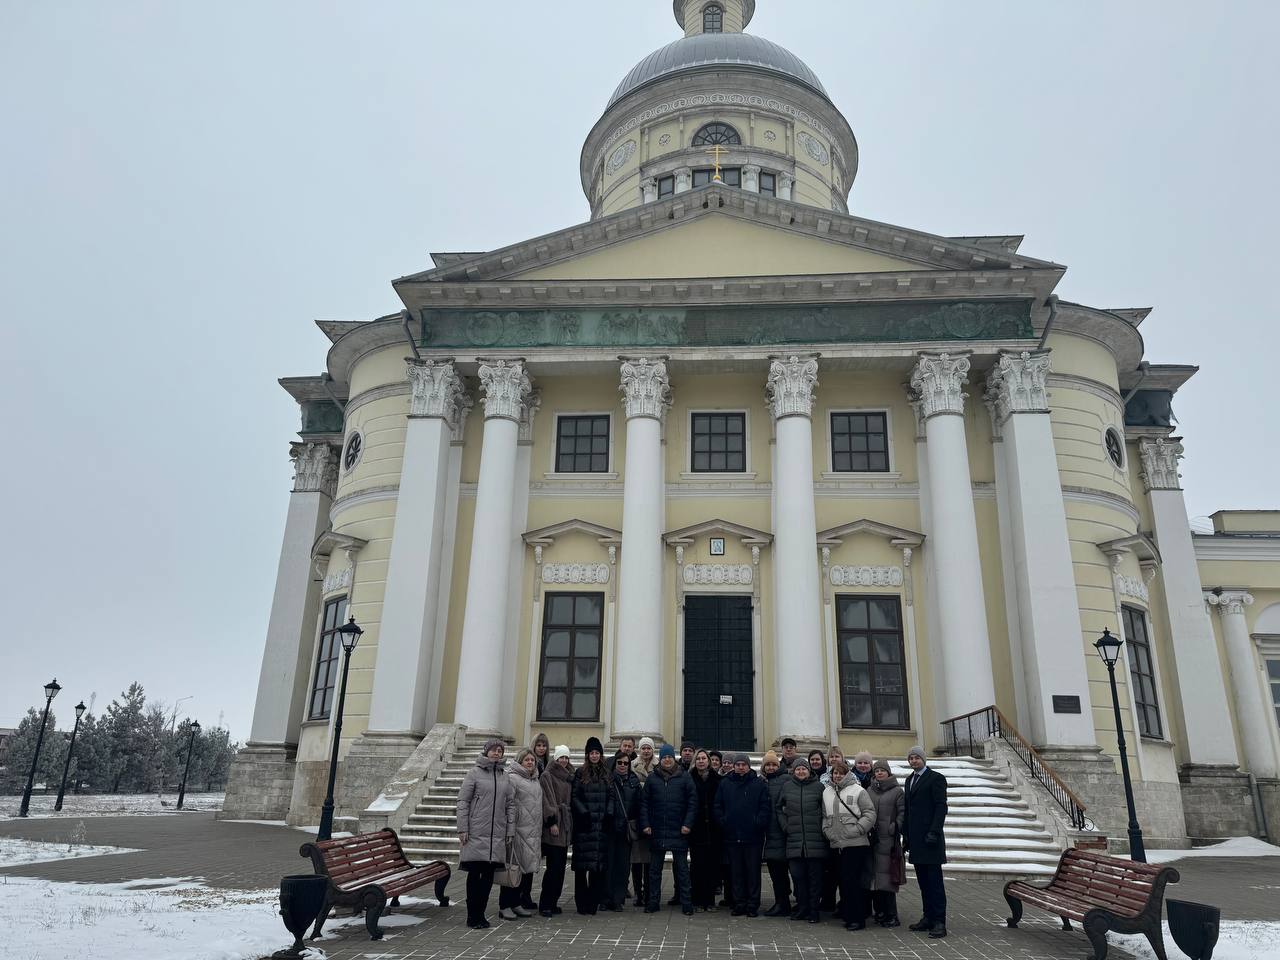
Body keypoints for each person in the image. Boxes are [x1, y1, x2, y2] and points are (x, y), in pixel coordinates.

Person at [457, 738, 515, 929]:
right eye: (493, 750)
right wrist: (463, 828)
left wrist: (510, 829)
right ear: (486, 751)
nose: (496, 753)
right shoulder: (474, 773)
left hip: (496, 834)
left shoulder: (504, 776)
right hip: (476, 833)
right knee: (475, 876)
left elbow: (510, 804)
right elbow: (463, 801)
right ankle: (472, 915)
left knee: (488, 877)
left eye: (500, 750)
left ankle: (481, 914)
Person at [640, 744, 696, 915]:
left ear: (673, 758)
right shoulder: (652, 778)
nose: (667, 760)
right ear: (661, 759)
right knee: (654, 871)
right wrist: (646, 824)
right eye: (664, 757)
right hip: (657, 830)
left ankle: (687, 903)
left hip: (679, 830)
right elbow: (644, 803)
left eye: (669, 757)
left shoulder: (685, 777)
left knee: (682, 871)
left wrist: (688, 824)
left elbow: (692, 803)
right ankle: (653, 902)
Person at [714, 752, 770, 917]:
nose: (740, 767)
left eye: (743, 764)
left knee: (753, 872)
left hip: (753, 837)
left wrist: (758, 822)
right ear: (734, 766)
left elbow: (765, 806)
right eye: (737, 764)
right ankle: (739, 903)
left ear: (748, 766)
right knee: (736, 872)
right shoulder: (725, 783)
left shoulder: (758, 783)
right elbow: (718, 805)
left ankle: (752, 904)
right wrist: (724, 821)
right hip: (732, 835)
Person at [821, 761, 875, 931]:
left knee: (853, 882)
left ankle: (858, 919)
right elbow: (824, 816)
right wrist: (826, 831)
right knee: (844, 882)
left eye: (840, 773)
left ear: (847, 774)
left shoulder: (858, 790)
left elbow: (869, 813)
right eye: (834, 773)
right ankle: (848, 915)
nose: (837, 776)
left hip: (855, 843)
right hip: (836, 843)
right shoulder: (827, 792)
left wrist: (858, 829)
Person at [902, 745, 948, 939]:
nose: (914, 761)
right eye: (911, 758)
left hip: (931, 840)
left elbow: (940, 807)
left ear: (923, 759)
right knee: (923, 882)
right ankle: (927, 917)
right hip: (916, 841)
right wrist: (906, 837)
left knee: (934, 883)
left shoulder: (936, 778)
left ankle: (939, 922)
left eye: (917, 758)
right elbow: (908, 810)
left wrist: (934, 832)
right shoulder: (909, 779)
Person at [776, 759, 827, 923]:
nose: (800, 772)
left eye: (803, 769)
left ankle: (814, 911)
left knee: (815, 880)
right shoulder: (787, 786)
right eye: (798, 769)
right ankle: (802, 908)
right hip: (795, 841)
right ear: (793, 771)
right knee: (798, 878)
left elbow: (826, 810)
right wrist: (786, 826)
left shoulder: (819, 787)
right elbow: (779, 808)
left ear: (809, 770)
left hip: (815, 841)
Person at [571, 737, 614, 915]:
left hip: (601, 826)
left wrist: (609, 814)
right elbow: (574, 796)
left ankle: (593, 903)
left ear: (601, 755)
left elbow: (612, 795)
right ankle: (582, 903)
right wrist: (584, 813)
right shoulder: (580, 773)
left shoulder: (606, 774)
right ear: (587, 755)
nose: (594, 756)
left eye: (597, 753)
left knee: (597, 869)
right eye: (592, 753)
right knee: (582, 869)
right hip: (585, 826)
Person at [498, 749, 542, 919]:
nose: (530, 762)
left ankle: (517, 903)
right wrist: (510, 829)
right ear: (520, 762)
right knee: (513, 869)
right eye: (527, 760)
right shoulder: (512, 778)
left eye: (532, 760)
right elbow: (508, 804)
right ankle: (505, 905)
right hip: (517, 831)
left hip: (532, 832)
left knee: (525, 870)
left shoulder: (535, 780)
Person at [868, 758, 905, 927]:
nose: (879, 773)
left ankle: (892, 914)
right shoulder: (870, 790)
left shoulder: (897, 791)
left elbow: (903, 812)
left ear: (888, 772)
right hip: (872, 840)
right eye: (876, 771)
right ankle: (880, 911)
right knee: (875, 878)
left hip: (888, 841)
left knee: (888, 879)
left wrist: (895, 826)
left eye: (882, 770)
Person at [538, 745, 573, 917]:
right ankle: (545, 903)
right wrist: (552, 821)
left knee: (560, 869)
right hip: (554, 827)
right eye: (561, 758)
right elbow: (547, 800)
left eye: (566, 758)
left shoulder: (568, 777)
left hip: (564, 827)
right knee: (553, 868)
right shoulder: (547, 775)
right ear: (555, 759)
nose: (564, 761)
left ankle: (553, 902)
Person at [606, 752, 641, 911]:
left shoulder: (634, 782)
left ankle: (618, 899)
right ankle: (606, 898)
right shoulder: (608, 780)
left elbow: (639, 805)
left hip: (626, 830)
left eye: (625, 763)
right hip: (610, 828)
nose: (622, 765)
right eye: (619, 762)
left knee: (623, 867)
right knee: (608, 865)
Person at [688, 749, 722, 910]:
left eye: (704, 758)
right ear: (695, 761)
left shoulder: (718, 779)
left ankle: (709, 901)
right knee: (696, 866)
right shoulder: (689, 779)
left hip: (714, 829)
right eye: (698, 759)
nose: (701, 761)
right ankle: (696, 900)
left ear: (708, 761)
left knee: (711, 866)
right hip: (696, 828)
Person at [760, 750, 792, 917]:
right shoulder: (761, 782)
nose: (771, 767)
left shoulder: (786, 780)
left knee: (783, 871)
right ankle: (781, 902)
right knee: (775, 871)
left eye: (773, 764)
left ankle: (785, 903)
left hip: (781, 832)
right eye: (768, 765)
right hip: (768, 834)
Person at [806, 750, 836, 912]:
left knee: (829, 869)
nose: (815, 762)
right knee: (816, 870)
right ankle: (814, 901)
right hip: (813, 829)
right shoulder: (806, 775)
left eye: (818, 759)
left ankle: (828, 901)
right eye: (812, 759)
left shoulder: (829, 777)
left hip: (828, 827)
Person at [629, 738, 656, 905]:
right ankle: (638, 892)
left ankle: (649, 892)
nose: (646, 751)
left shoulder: (658, 766)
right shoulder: (632, 765)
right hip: (637, 816)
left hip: (653, 817)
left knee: (650, 859)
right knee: (636, 858)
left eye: (649, 748)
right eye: (643, 748)